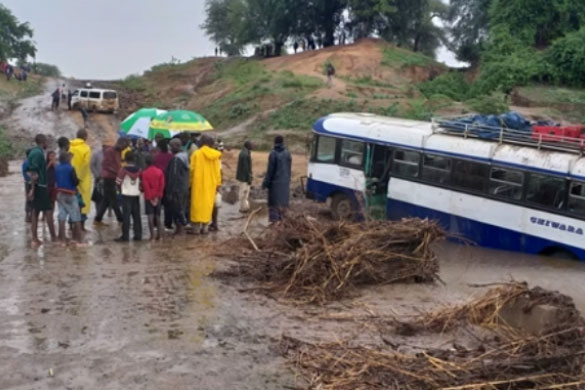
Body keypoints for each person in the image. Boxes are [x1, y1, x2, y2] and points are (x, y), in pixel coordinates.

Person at [27, 134, 57, 246]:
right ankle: (53, 237)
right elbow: (33, 173)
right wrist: (33, 190)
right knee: (48, 210)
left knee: (35, 211)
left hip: (38, 186)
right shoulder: (38, 153)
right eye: (46, 141)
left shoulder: (34, 152)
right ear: (43, 141)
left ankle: (34, 238)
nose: (47, 144)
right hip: (40, 186)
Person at [189, 135, 222, 234]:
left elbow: (191, 170)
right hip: (211, 185)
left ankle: (196, 229)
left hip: (197, 185)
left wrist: (189, 184)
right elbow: (217, 172)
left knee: (197, 206)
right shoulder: (215, 156)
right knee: (208, 205)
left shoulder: (196, 154)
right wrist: (218, 185)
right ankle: (205, 228)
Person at [55, 152, 83, 244]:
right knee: (76, 218)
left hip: (60, 193)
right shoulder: (71, 168)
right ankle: (78, 240)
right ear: (67, 159)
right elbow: (75, 182)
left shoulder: (57, 168)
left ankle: (62, 240)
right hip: (70, 194)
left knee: (62, 216)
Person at [262, 135, 292, 222]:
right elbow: (289, 170)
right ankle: (282, 232)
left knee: (274, 210)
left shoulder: (273, 154)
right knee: (284, 212)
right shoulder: (288, 153)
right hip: (285, 186)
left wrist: (265, 184)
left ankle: (274, 231)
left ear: (275, 143)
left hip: (275, 187)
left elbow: (270, 172)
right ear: (283, 142)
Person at [94, 138, 124, 225]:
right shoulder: (110, 151)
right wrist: (117, 172)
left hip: (113, 176)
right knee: (113, 199)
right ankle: (121, 219)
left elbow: (118, 164)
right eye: (123, 146)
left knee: (106, 199)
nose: (124, 148)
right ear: (119, 143)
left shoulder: (118, 151)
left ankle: (98, 219)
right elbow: (105, 165)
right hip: (108, 177)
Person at [116, 152, 142, 242]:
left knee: (126, 216)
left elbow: (118, 182)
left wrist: (120, 190)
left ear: (126, 160)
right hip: (136, 194)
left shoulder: (123, 169)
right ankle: (138, 235)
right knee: (136, 215)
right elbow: (142, 182)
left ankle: (125, 236)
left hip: (126, 194)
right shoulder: (139, 170)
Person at [165, 139, 190, 235]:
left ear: (177, 146)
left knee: (177, 208)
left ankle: (180, 227)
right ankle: (182, 227)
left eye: (171, 146)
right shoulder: (185, 156)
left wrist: (170, 191)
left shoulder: (176, 159)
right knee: (182, 207)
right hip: (184, 186)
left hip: (177, 188)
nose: (170, 148)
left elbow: (173, 176)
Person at [69, 129, 92, 228]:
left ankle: (71, 225)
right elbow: (86, 164)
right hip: (83, 180)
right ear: (85, 137)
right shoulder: (86, 148)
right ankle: (81, 226)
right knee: (83, 202)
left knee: (71, 200)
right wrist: (80, 177)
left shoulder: (70, 147)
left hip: (70, 177)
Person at [141, 154, 166, 240]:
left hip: (149, 197)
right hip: (158, 197)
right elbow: (162, 185)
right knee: (158, 215)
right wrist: (158, 196)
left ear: (146, 163)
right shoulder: (160, 172)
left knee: (150, 215)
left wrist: (150, 198)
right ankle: (159, 234)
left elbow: (145, 186)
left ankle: (152, 235)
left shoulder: (144, 173)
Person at [209, 140, 225, 232]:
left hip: (214, 184)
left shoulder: (216, 159)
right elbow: (220, 172)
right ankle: (214, 223)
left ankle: (214, 223)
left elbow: (220, 172)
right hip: (215, 184)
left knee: (214, 205)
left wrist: (218, 186)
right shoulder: (216, 158)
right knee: (214, 204)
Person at [91, 139, 109, 212]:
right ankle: (98, 212)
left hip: (108, 179)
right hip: (98, 178)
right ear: (102, 146)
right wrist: (96, 174)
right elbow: (92, 165)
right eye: (105, 146)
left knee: (108, 196)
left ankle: (109, 212)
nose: (106, 148)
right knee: (98, 197)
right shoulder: (96, 154)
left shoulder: (110, 155)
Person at [236, 141, 253, 213]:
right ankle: (244, 209)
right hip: (244, 177)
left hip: (241, 176)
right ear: (248, 146)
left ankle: (242, 208)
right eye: (251, 145)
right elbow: (246, 168)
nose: (252, 146)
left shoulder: (243, 153)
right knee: (244, 193)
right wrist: (249, 178)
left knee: (242, 192)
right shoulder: (246, 154)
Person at [22, 150, 33, 223]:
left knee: (28, 198)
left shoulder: (25, 162)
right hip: (31, 183)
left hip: (27, 182)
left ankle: (27, 216)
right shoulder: (31, 162)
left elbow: (24, 173)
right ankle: (31, 216)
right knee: (32, 198)